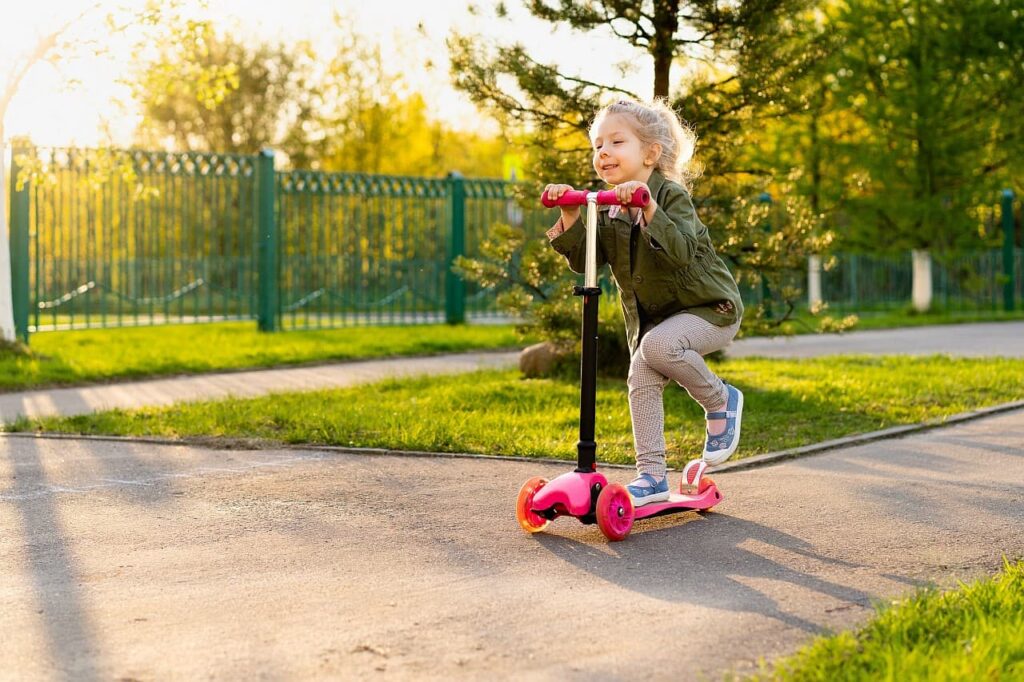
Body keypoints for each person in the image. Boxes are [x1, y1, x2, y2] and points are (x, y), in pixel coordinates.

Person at [544, 98, 745, 507]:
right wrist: (570, 215)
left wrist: (648, 206)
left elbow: (682, 253)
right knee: (641, 378)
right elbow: (590, 260)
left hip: (710, 309)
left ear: (651, 153)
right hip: (659, 324)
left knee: (656, 347)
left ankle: (721, 399)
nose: (603, 152)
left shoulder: (670, 197)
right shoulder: (605, 205)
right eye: (597, 145)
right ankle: (651, 477)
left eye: (616, 141)